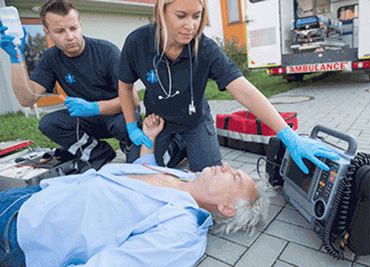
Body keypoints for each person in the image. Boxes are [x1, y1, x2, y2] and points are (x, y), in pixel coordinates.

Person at [0, 113, 270, 267]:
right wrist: (150, 138)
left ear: (227, 207)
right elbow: (142, 169)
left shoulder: (180, 232)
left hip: (24, 232)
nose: (225, 165)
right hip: (37, 196)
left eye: (233, 176)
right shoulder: (184, 178)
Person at [118, 0, 340, 173]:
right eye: (181, 16)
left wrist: (288, 135)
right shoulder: (137, 43)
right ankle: (175, 147)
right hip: (159, 122)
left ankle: (189, 145)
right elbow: (125, 86)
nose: (191, 25)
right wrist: (131, 127)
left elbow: (245, 91)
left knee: (209, 175)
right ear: (161, 11)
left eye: (197, 16)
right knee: (137, 173)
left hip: (195, 121)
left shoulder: (206, 49)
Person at [0, 0, 141, 170]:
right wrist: (17, 58)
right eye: (60, 31)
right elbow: (27, 99)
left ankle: (130, 147)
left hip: (117, 114)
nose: (70, 36)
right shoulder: (50, 58)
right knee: (49, 123)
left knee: (125, 129)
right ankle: (99, 154)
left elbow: (133, 100)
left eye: (73, 28)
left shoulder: (106, 52)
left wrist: (94, 107)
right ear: (48, 32)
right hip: (85, 119)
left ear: (80, 25)